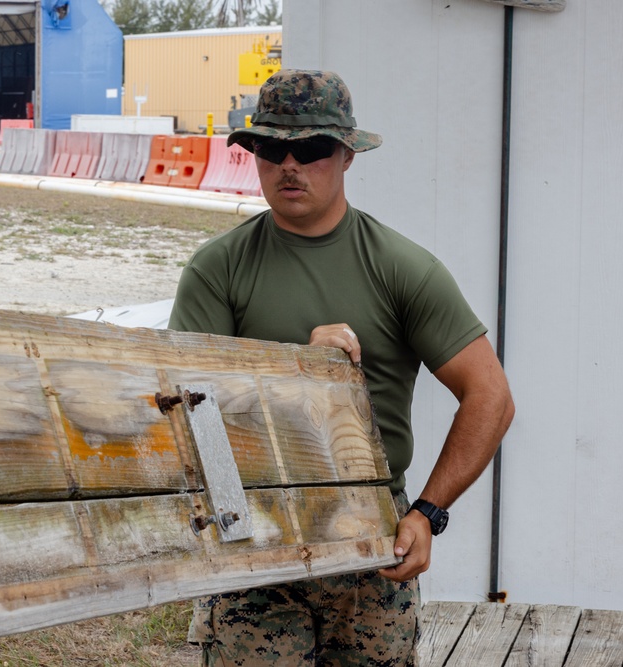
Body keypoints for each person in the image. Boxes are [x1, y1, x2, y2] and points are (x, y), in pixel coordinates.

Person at [169, 69, 515, 666]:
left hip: (371, 547)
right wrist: (302, 370)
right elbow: (184, 407)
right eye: (272, 149)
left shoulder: (402, 269)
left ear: (347, 155)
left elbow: (491, 397)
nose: (289, 166)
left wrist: (427, 514)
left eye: (310, 150)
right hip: (257, 543)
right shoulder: (218, 269)